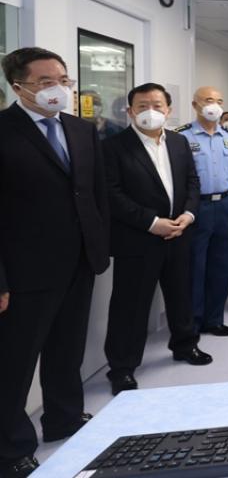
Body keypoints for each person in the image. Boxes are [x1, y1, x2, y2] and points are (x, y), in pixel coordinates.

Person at [0, 48, 110, 478]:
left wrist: (100, 249)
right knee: (15, 362)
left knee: (67, 350)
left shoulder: (81, 130)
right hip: (24, 270)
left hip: (79, 260)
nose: (58, 88)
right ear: (18, 86)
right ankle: (11, 448)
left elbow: (94, 193)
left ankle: (64, 418)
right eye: (45, 82)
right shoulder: (4, 131)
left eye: (63, 80)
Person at [102, 83, 212, 397]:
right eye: (142, 105)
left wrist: (188, 216)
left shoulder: (179, 142)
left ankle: (185, 345)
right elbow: (112, 194)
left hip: (179, 233)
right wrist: (152, 223)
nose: (151, 111)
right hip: (138, 238)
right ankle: (122, 368)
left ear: (169, 109)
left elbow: (192, 182)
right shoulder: (114, 147)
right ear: (130, 111)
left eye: (157, 105)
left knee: (180, 295)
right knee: (131, 305)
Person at [176, 87, 228, 337]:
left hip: (225, 206)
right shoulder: (181, 136)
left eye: (218, 101)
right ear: (195, 105)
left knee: (222, 264)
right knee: (195, 266)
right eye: (208, 100)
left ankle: (214, 319)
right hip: (196, 207)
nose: (214, 105)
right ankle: (193, 322)